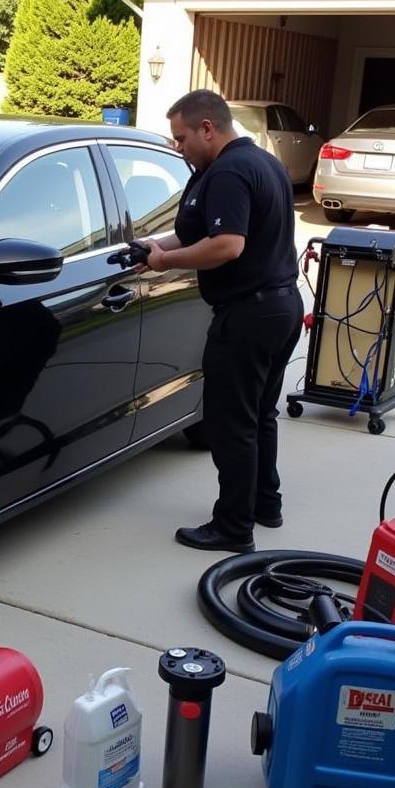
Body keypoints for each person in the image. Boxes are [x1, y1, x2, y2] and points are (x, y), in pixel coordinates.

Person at [141, 89, 303, 553]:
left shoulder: (229, 172)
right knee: (259, 414)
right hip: (280, 306)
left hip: (248, 315)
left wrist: (164, 264)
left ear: (207, 128)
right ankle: (264, 504)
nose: (178, 147)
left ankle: (233, 527)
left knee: (230, 424)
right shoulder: (260, 162)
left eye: (181, 137)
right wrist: (158, 248)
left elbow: (226, 245)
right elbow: (202, 231)